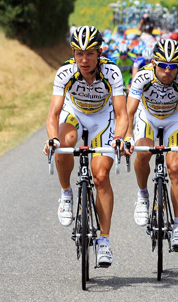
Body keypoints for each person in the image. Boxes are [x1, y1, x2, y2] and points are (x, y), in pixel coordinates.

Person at [43, 26, 128, 267]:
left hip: (103, 118)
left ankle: (104, 241)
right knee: (63, 144)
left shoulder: (111, 72)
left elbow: (121, 115)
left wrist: (120, 138)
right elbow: (53, 114)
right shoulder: (65, 72)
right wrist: (52, 139)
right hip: (75, 114)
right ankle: (66, 193)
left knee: (100, 176)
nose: (84, 59)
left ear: (100, 52)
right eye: (79, 53)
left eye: (90, 53)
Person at [125, 39, 178, 251]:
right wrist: (128, 136)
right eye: (163, 65)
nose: (168, 71)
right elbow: (129, 112)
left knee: (175, 167)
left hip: (174, 118)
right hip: (148, 117)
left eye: (173, 66)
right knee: (143, 154)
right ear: (154, 63)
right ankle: (142, 196)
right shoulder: (143, 76)